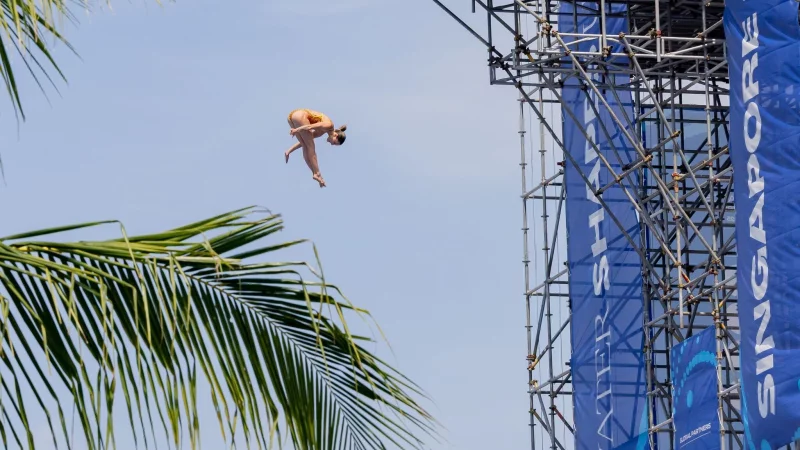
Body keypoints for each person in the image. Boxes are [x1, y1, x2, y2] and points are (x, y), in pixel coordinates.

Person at [285, 108, 347, 188]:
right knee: (311, 146)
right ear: (335, 135)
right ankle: (317, 173)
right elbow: (310, 126)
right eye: (334, 142)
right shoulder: (329, 125)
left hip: (292, 117)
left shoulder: (322, 131)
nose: (332, 144)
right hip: (300, 115)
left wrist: (289, 151)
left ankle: (315, 173)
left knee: (305, 145)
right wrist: (297, 130)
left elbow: (304, 141)